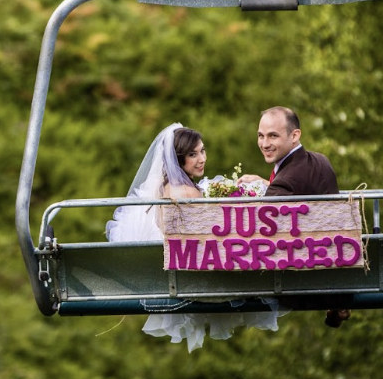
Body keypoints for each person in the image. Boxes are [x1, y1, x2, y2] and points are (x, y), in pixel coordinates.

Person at [106, 123, 280, 351]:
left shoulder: (170, 186)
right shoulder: (186, 192)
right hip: (199, 268)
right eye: (192, 154)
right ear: (178, 159)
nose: (201, 159)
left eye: (203, 151)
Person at [242, 106, 351, 328]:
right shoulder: (320, 160)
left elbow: (259, 228)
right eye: (261, 136)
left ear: (295, 136)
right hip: (337, 266)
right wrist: (268, 185)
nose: (264, 144)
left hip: (301, 278)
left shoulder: (285, 182)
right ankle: (337, 306)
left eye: (273, 135)